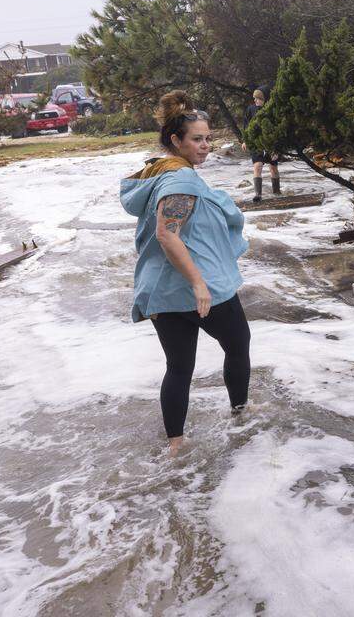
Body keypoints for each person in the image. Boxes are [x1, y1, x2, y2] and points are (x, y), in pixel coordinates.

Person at [120, 90, 251, 457]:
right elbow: (167, 233)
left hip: (160, 291)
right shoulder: (180, 180)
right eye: (197, 139)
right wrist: (198, 283)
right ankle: (241, 415)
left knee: (178, 367)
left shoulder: (160, 171)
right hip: (198, 290)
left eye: (209, 138)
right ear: (176, 140)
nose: (206, 146)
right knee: (238, 345)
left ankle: (176, 445)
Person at [241, 86, 280, 202]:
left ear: (265, 99)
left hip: (271, 144)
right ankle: (258, 194)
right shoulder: (250, 110)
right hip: (256, 143)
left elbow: (278, 130)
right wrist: (245, 140)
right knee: (257, 166)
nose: (255, 100)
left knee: (273, 168)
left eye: (258, 98)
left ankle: (277, 193)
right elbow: (246, 126)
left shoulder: (273, 110)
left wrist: (277, 148)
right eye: (254, 98)